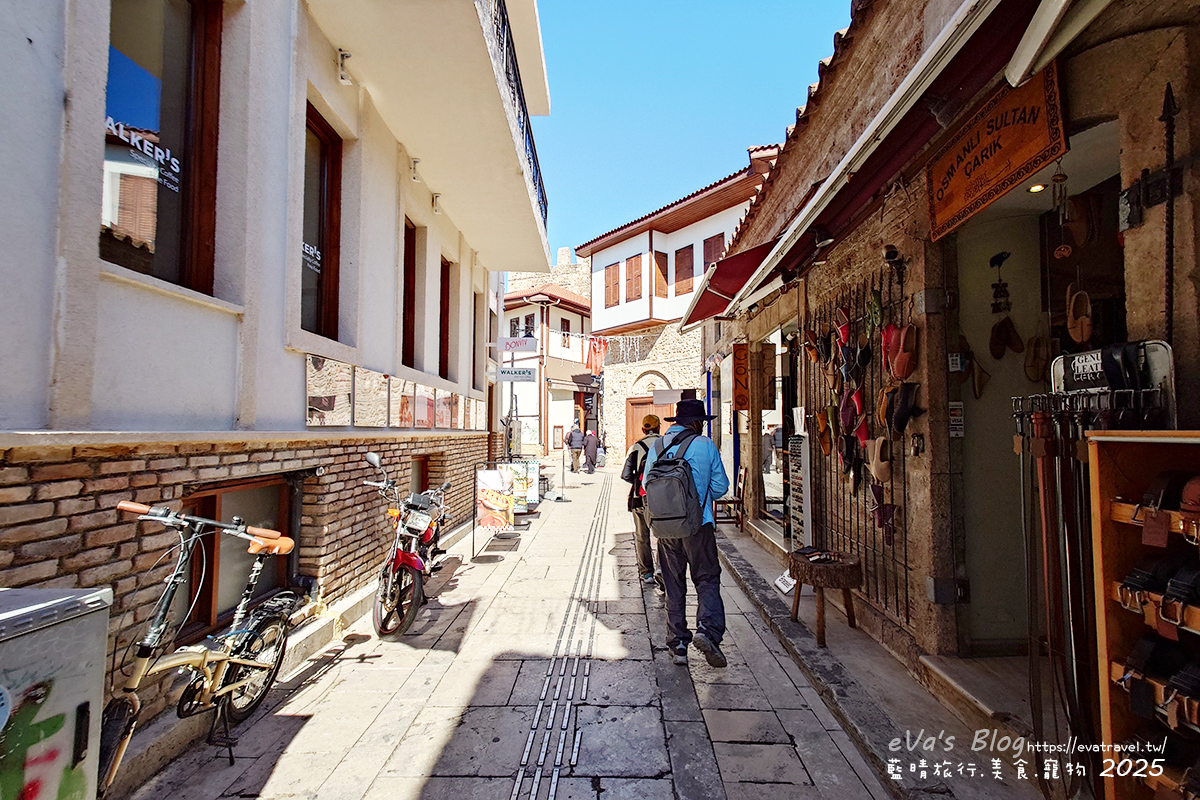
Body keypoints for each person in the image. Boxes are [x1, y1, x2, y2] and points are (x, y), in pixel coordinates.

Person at [640, 398, 730, 668]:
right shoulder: (705, 445)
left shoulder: (657, 446)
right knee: (707, 579)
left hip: (666, 528)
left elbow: (647, 484)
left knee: (673, 584)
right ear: (696, 423)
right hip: (698, 526)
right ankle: (708, 632)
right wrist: (698, 497)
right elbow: (721, 487)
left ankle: (678, 644)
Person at [621, 414, 661, 586]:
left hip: (640, 498)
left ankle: (647, 573)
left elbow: (626, 475)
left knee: (642, 536)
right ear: (659, 427)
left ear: (643, 430)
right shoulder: (666, 444)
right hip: (663, 499)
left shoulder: (636, 447)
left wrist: (640, 483)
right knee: (664, 536)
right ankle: (662, 569)